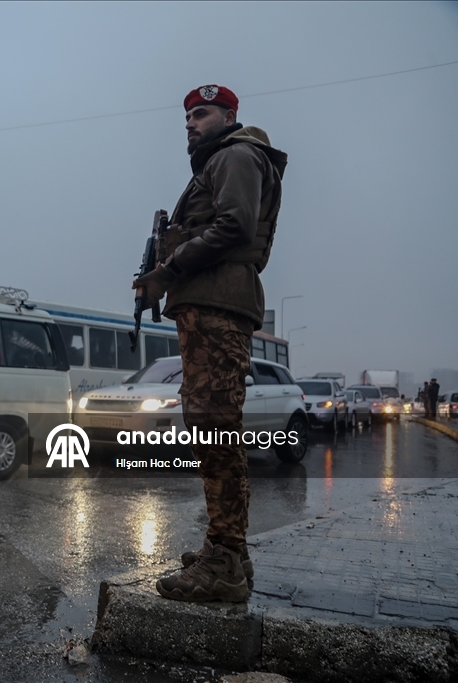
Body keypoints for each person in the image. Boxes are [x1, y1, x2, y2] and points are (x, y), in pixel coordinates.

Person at [133, 84, 287, 603]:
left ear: (230, 115)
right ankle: (230, 553)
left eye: (202, 114)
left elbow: (235, 226)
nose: (191, 123)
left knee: (215, 427)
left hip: (219, 303)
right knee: (214, 426)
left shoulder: (237, 155)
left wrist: (166, 271)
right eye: (189, 117)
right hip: (210, 302)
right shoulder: (220, 161)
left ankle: (223, 561)